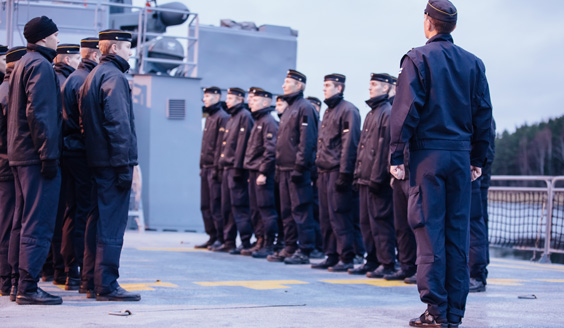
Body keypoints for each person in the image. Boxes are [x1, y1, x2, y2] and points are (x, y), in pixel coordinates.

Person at [389, 1, 492, 327]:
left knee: (428, 231)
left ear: (428, 22)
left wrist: (396, 155)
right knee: (456, 235)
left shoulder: (417, 58)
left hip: (427, 159)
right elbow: (484, 115)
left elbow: (405, 111)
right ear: (453, 26)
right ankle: (454, 313)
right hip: (460, 159)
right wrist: (478, 158)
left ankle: (435, 312)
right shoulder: (473, 63)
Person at [79, 29, 140, 302]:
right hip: (113, 164)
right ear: (114, 49)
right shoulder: (114, 76)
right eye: (128, 47)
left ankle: (90, 281)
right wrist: (123, 165)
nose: (131, 52)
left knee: (96, 222)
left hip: (96, 161)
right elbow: (118, 124)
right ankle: (107, 284)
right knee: (112, 225)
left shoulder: (94, 75)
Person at [8, 16, 63, 305]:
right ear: (43, 38)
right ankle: (28, 287)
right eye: (55, 35)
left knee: (21, 221)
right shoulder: (41, 66)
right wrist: (48, 155)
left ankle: (19, 283)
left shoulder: (22, 64)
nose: (58, 39)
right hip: (35, 157)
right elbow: (40, 114)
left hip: (19, 155)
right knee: (37, 221)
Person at [59, 37, 100, 294]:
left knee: (71, 212)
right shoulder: (85, 80)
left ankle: (69, 270)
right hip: (80, 152)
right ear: (95, 56)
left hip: (68, 151)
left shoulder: (71, 79)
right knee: (83, 213)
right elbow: (87, 123)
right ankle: (79, 270)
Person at [311, 73, 360, 272]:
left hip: (336, 172)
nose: (324, 89)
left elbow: (350, 144)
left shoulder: (348, 110)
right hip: (324, 172)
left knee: (340, 215)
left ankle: (346, 256)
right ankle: (331, 254)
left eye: (328, 85)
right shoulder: (328, 111)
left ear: (339, 88)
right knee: (325, 216)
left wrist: (345, 173)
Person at [268, 69, 318, 265]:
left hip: (297, 170)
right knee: (286, 211)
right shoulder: (289, 108)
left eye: (287, 82)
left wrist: (300, 166)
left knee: (301, 210)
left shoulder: (305, 108)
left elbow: (307, 141)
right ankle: (290, 247)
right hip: (283, 169)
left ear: (299, 85)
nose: (283, 85)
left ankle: (305, 249)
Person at [349, 73, 396, 277]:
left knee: (381, 222)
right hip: (365, 178)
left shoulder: (386, 112)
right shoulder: (371, 113)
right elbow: (363, 147)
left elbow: (384, 148)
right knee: (367, 223)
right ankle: (372, 260)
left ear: (386, 88)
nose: (370, 88)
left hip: (377, 179)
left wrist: (378, 177)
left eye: (374, 84)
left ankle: (386, 263)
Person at [0, 47, 26, 301]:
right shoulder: (8, 92)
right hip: (7, 162)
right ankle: (6, 279)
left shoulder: (4, 89)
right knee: (8, 223)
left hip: (6, 160)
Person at [215, 88, 254, 254]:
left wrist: (238, 168)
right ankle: (228, 240)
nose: (227, 100)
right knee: (226, 207)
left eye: (230, 97)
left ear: (239, 99)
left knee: (239, 206)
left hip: (235, 169)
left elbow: (243, 145)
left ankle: (245, 241)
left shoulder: (244, 116)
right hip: (226, 168)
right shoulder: (231, 117)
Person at [243, 89, 279, 258]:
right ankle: (259, 241)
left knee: (266, 209)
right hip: (253, 171)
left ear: (265, 102)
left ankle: (268, 244)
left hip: (261, 173)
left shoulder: (268, 122)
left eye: (255, 100)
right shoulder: (258, 121)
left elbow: (270, 151)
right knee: (256, 209)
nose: (251, 103)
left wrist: (263, 172)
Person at [197, 86, 229, 250]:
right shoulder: (210, 117)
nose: (204, 99)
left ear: (217, 97)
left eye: (207, 96)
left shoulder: (222, 117)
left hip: (215, 168)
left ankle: (220, 237)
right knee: (206, 204)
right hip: (206, 167)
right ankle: (212, 236)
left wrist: (217, 168)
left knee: (216, 205)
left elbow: (220, 146)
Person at [468, 118, 496, 292]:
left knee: (476, 224)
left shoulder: (483, 117)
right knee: (474, 225)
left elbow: (487, 150)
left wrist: (480, 173)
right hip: (473, 176)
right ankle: (474, 272)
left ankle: (477, 275)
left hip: (477, 179)